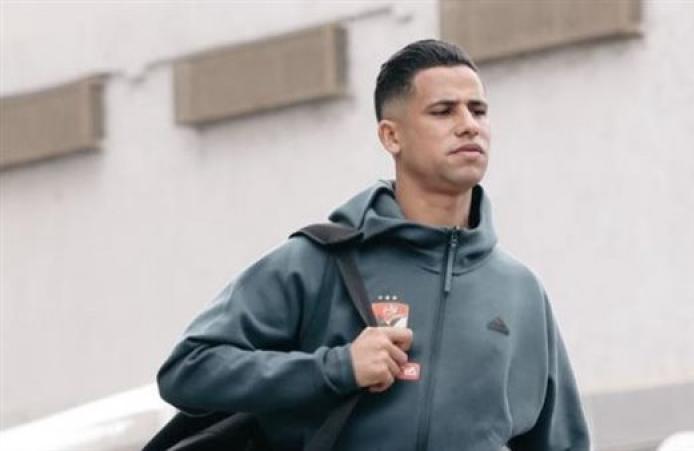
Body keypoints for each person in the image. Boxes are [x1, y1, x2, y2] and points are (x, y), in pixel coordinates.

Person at [157, 39, 590, 451]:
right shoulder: (320, 262)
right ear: (391, 137)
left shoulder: (520, 291)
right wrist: (337, 368)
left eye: (478, 110)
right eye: (443, 111)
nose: (468, 125)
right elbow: (188, 369)